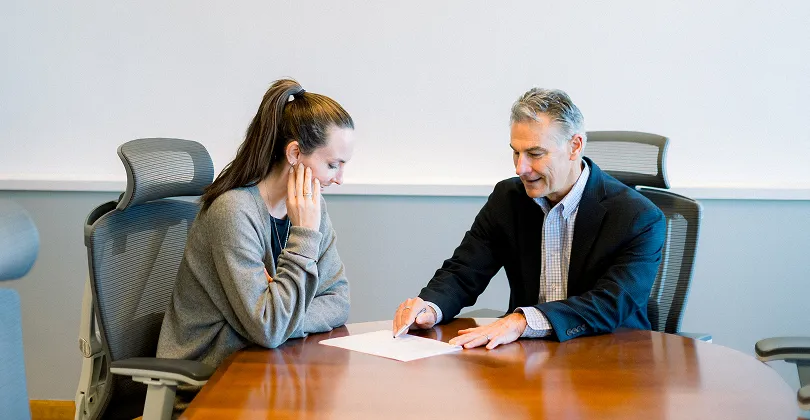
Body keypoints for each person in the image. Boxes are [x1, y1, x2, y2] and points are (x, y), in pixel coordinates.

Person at [392, 88, 665, 350]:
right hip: (531, 359)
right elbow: (464, 271)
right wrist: (429, 307)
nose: (520, 168)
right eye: (515, 152)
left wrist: (523, 321)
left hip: (610, 359)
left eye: (535, 154)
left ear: (574, 146)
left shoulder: (639, 217)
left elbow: (610, 304)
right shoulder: (508, 198)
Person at [157, 79, 353, 399]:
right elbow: (268, 328)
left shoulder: (312, 206)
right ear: (294, 153)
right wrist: (304, 235)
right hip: (210, 370)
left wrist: (280, 316)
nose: (340, 179)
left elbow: (338, 300)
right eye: (333, 164)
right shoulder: (233, 212)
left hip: (261, 359)